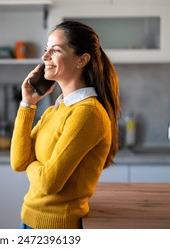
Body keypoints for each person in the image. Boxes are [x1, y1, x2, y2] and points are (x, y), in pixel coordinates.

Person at [10, 20, 121, 229]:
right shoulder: (55, 110)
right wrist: (27, 104)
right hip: (29, 221)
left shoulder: (87, 113)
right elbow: (17, 162)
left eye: (56, 50)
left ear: (82, 60)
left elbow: (48, 183)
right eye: (46, 50)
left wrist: (30, 162)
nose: (44, 57)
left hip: (57, 228)